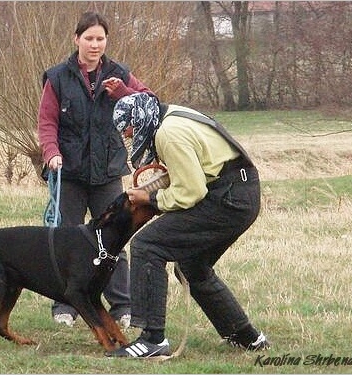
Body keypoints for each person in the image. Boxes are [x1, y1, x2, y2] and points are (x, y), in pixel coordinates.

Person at [106, 93, 271, 358]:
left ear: (140, 120)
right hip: (240, 192)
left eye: (128, 129)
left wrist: (150, 198)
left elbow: (191, 192)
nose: (127, 136)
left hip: (227, 198)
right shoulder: (172, 115)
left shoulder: (168, 134)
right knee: (192, 267)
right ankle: (247, 338)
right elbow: (194, 172)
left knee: (147, 245)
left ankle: (152, 340)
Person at [37, 11, 154, 328]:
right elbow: (47, 122)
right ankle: (65, 305)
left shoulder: (119, 73)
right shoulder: (57, 77)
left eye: (100, 38)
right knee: (63, 240)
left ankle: (122, 306)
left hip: (107, 174)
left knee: (115, 239)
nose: (94, 44)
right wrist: (51, 153)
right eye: (88, 38)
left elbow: (149, 103)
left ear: (106, 41)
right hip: (69, 174)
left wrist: (122, 94)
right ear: (76, 40)